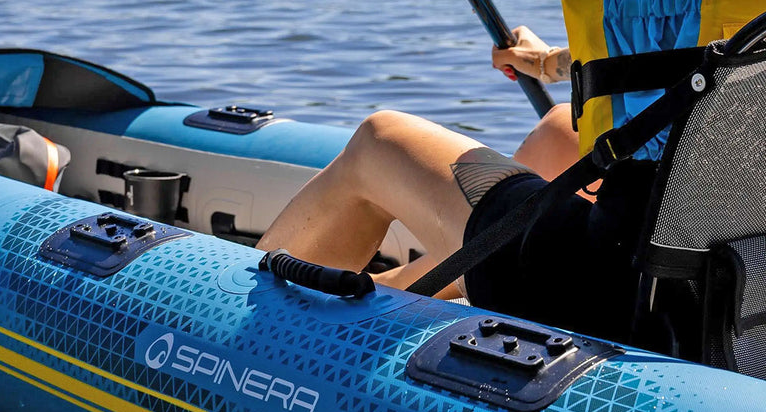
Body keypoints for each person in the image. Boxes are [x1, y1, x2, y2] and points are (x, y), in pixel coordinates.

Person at [256, 1, 764, 341]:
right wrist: (549, 63)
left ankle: (233, 324)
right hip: (740, 255)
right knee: (559, 132)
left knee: (378, 144)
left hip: (639, 296)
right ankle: (400, 288)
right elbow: (703, 53)